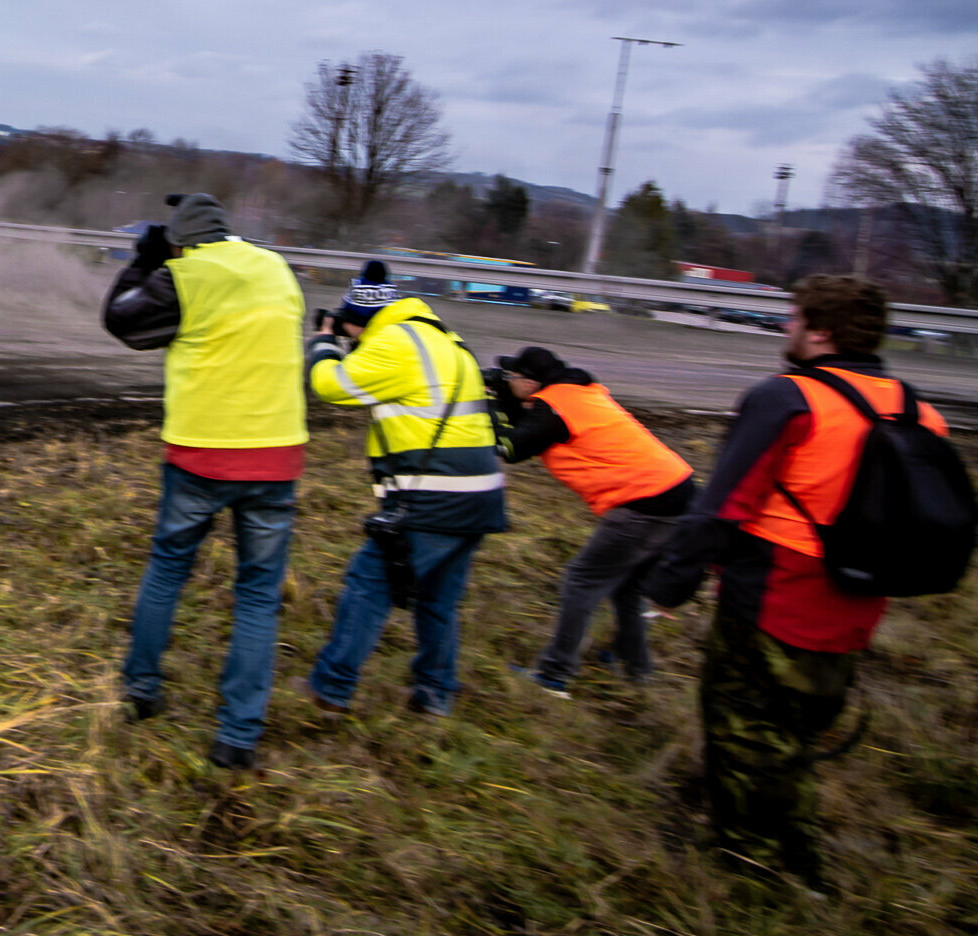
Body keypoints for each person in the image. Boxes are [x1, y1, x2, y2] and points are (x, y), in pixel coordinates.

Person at [644, 275, 949, 891]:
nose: (786, 326)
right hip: (856, 608)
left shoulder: (787, 399)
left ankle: (747, 869)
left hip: (773, 600)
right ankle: (800, 851)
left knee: (742, 732)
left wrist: (668, 584)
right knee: (797, 736)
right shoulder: (918, 411)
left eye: (793, 317)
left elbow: (723, 507)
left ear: (820, 332)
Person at [101, 192, 307, 770]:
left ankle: (142, 690)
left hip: (202, 454)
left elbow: (120, 320)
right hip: (277, 455)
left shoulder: (182, 276)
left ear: (179, 241)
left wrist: (143, 264)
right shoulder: (276, 268)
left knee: (168, 569)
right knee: (259, 597)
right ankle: (238, 737)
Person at [303, 263, 506, 718]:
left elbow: (330, 385)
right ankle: (435, 696)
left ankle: (330, 689)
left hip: (434, 495)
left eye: (348, 322)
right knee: (437, 600)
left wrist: (322, 341)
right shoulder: (443, 339)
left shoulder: (396, 343)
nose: (348, 331)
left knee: (368, 585)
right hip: (479, 495)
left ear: (362, 319)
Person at [491, 346, 695, 699]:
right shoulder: (577, 393)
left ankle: (554, 675)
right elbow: (534, 428)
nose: (508, 380)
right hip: (680, 492)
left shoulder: (553, 409)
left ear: (530, 382)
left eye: (512, 377)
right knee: (626, 586)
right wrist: (510, 401)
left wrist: (492, 406)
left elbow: (509, 448)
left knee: (581, 580)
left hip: (644, 503)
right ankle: (636, 668)